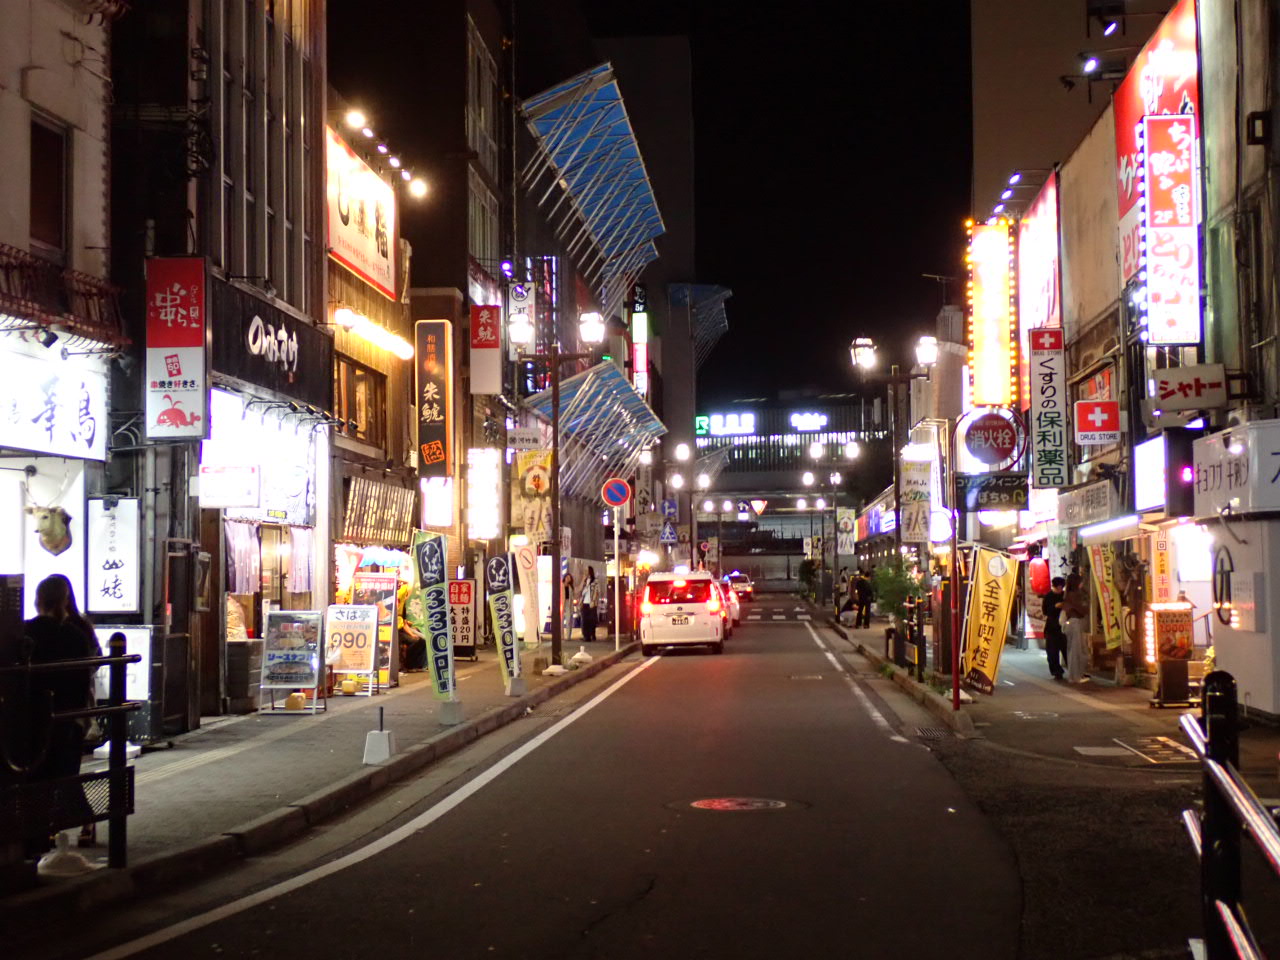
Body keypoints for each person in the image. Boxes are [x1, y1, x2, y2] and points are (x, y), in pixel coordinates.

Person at [23, 575, 101, 853]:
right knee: (65, 772)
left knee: (44, 775)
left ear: (38, 600)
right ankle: (60, 826)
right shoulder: (78, 633)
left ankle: (44, 832)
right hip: (71, 714)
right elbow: (88, 671)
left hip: (35, 715)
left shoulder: (27, 632)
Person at [1062, 574, 1090, 682]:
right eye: (1081, 582)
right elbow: (1083, 609)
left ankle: (1075, 676)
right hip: (1075, 623)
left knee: (1073, 650)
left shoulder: (1068, 594)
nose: (1082, 584)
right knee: (1076, 651)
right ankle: (1076, 677)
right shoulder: (1075, 595)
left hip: (1071, 623)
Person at [397, 581, 426, 671]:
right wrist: (412, 634)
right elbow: (402, 625)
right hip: (396, 631)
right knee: (415, 640)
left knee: (422, 639)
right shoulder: (392, 608)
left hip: (403, 629)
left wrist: (410, 628)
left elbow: (404, 623)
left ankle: (415, 665)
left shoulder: (401, 608)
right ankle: (408, 665)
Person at [1042, 576, 1068, 680]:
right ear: (1053, 586)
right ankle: (1057, 671)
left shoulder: (1064, 596)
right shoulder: (1048, 596)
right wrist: (1055, 607)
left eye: (1061, 587)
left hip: (1063, 627)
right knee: (1052, 652)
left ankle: (1073, 669)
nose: (1060, 590)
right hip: (1051, 627)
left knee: (1066, 649)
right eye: (1058, 587)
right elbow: (1045, 611)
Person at [579, 566, 599, 642]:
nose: (585, 572)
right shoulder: (584, 581)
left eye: (586, 571)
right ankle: (586, 636)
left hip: (592, 603)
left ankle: (592, 634)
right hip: (584, 602)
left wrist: (594, 600)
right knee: (584, 620)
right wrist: (583, 581)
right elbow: (581, 590)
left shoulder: (595, 581)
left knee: (592, 620)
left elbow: (597, 591)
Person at [561, 571, 575, 640]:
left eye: (569, 578)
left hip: (568, 604)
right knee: (561, 620)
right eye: (567, 577)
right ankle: (561, 635)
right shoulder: (561, 585)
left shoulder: (570, 587)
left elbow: (572, 597)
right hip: (561, 604)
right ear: (565, 578)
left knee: (569, 620)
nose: (568, 579)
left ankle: (568, 636)